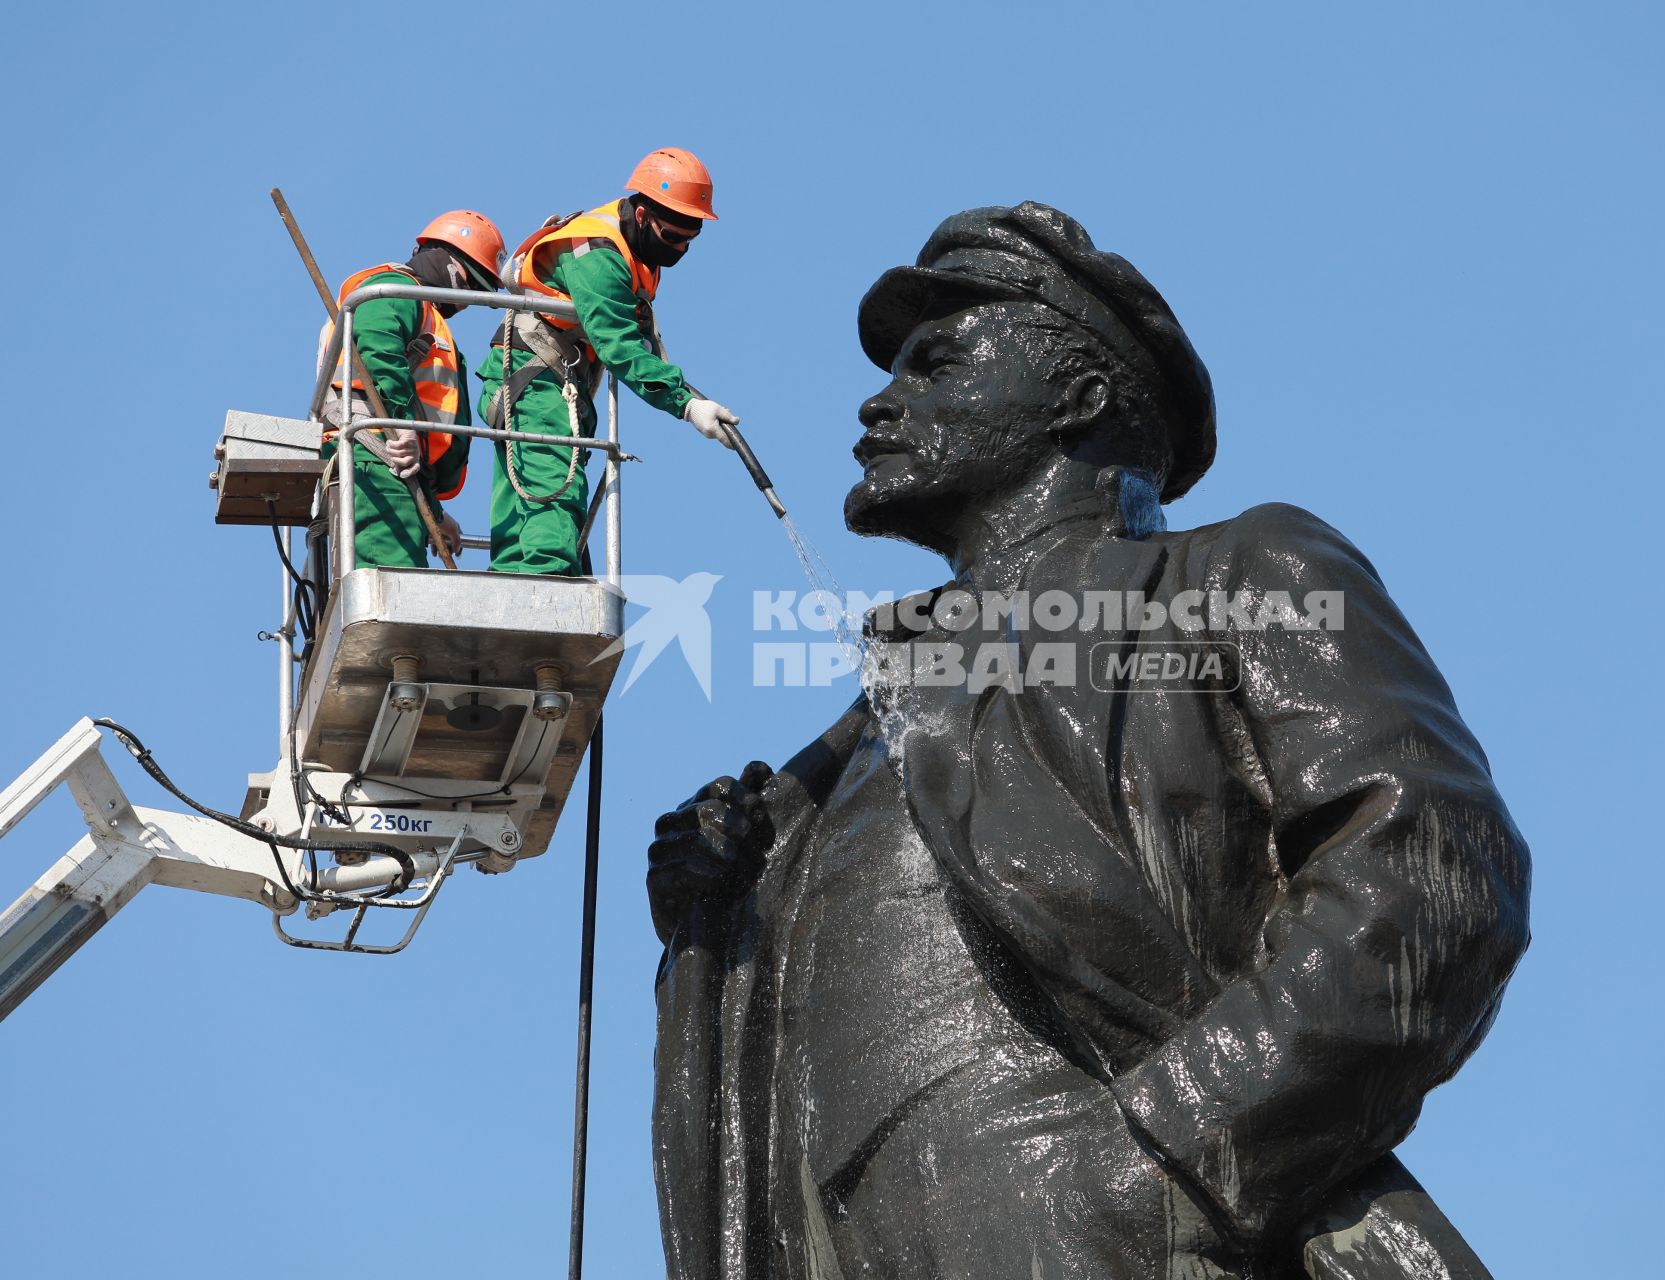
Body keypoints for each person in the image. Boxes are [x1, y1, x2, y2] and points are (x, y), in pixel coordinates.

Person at [646, 204, 1532, 1278]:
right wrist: (724, 898)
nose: (884, 400)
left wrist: (1157, 1159)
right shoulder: (863, 727)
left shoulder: (1240, 573)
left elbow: (1428, 870)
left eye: (940, 364)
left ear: (1079, 395)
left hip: (1099, 1204)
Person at [481, 148, 740, 575]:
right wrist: (686, 405)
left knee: (527, 497)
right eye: (673, 236)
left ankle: (513, 592)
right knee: (549, 491)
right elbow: (620, 347)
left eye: (690, 240)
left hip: (541, 382)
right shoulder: (599, 254)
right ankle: (547, 597)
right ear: (642, 216)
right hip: (538, 383)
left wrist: (693, 398)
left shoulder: (635, 251)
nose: (680, 249)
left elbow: (639, 338)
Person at [320, 210, 504, 568]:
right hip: (375, 461)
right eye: (470, 284)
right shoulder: (395, 291)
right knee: (389, 595)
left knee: (404, 595)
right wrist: (401, 424)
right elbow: (376, 349)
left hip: (392, 468)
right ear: (449, 263)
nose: (466, 302)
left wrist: (435, 515)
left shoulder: (419, 307)